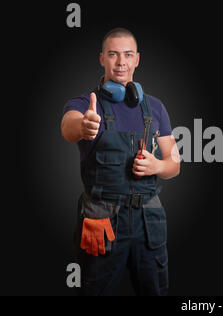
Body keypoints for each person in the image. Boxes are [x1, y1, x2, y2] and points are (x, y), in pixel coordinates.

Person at [61, 27, 180, 296]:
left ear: (137, 59)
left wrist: (157, 166)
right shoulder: (85, 104)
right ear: (101, 59)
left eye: (127, 54)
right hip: (102, 221)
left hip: (149, 222)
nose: (121, 62)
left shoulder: (155, 107)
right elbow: (68, 127)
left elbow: (175, 163)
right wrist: (84, 126)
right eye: (113, 54)